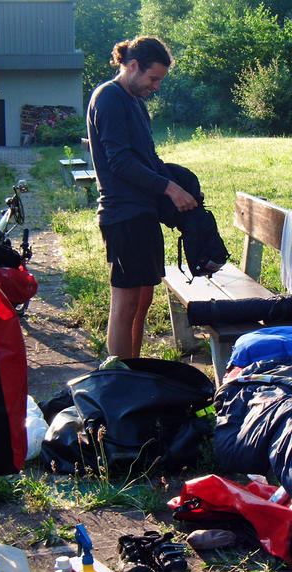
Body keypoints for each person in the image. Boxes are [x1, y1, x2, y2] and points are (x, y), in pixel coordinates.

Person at [86, 36, 197, 358]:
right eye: (153, 78)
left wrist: (180, 182)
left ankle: (135, 369)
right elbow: (120, 161)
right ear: (132, 66)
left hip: (144, 213)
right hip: (122, 215)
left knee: (144, 297)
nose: (156, 86)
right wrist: (169, 188)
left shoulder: (135, 102)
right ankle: (120, 379)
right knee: (126, 301)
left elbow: (148, 158)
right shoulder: (108, 97)